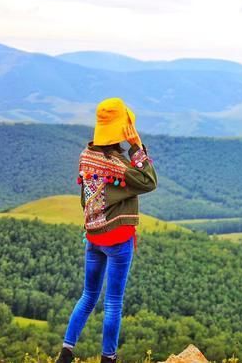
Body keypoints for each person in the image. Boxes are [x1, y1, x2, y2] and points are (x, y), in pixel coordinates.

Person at [57, 98, 157, 363]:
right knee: (113, 302)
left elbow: (84, 198)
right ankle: (108, 358)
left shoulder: (85, 156)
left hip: (93, 237)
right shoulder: (120, 167)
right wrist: (136, 145)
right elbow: (149, 181)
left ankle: (66, 352)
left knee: (87, 296)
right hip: (118, 240)